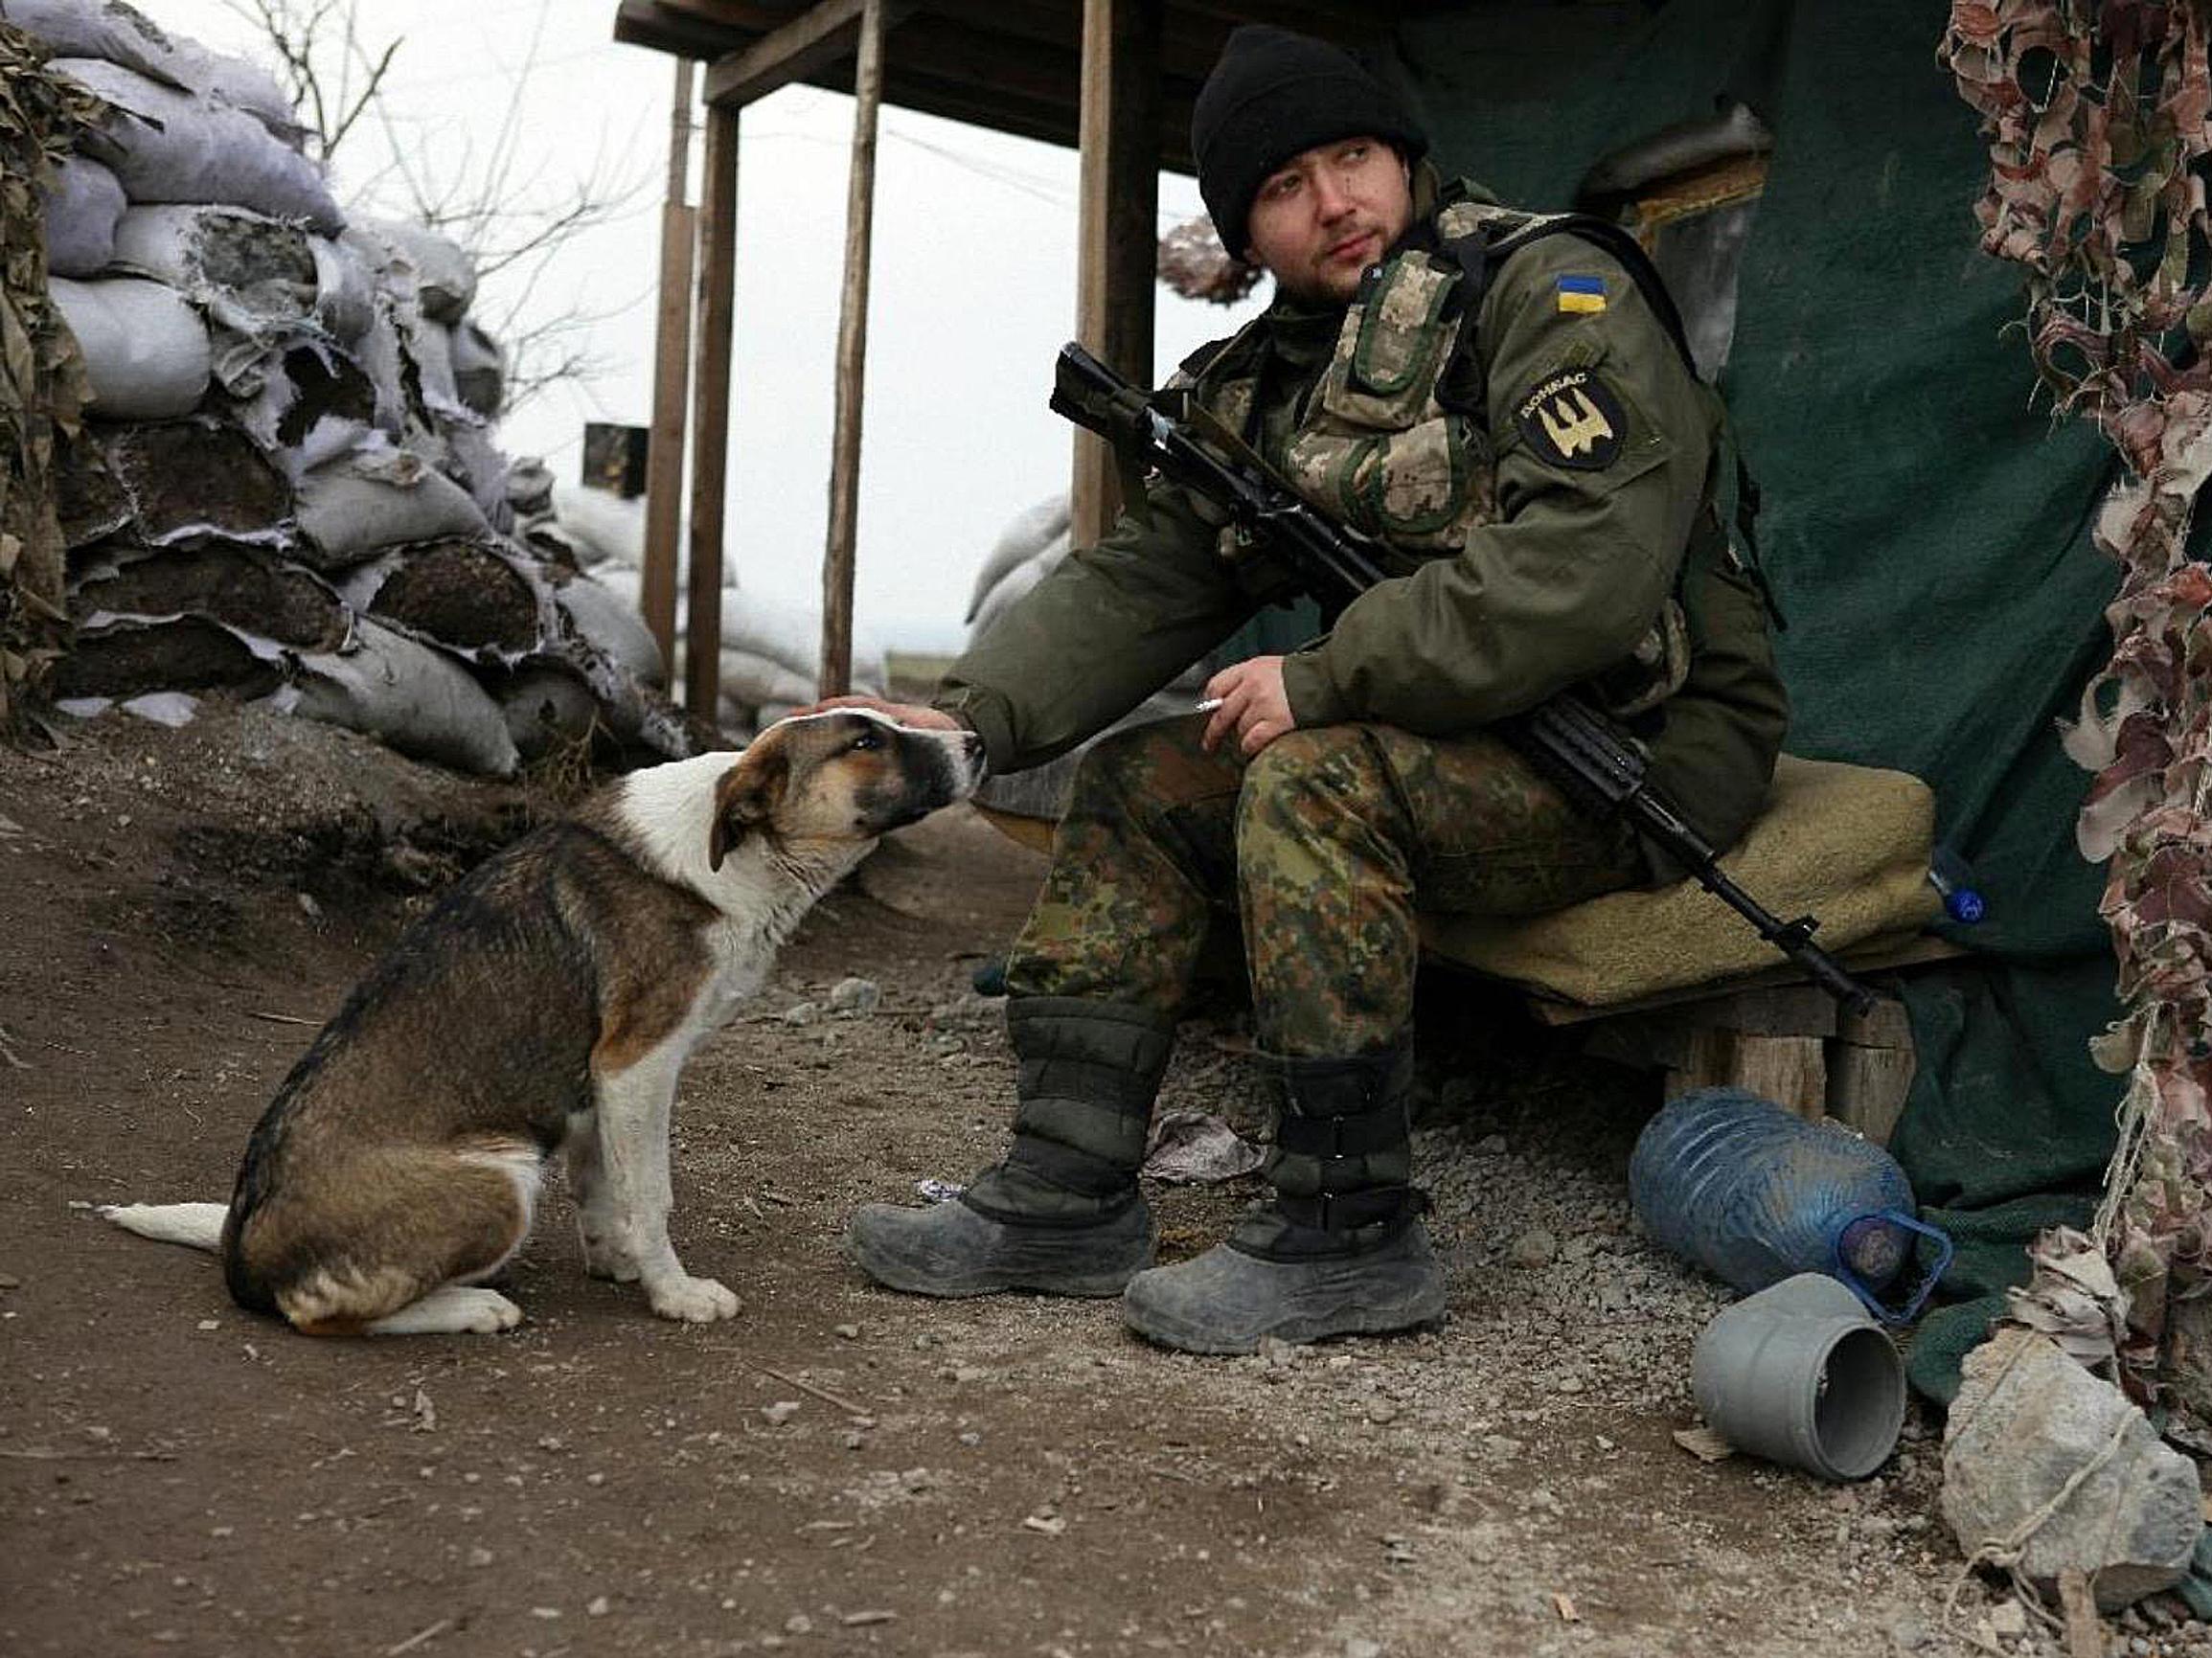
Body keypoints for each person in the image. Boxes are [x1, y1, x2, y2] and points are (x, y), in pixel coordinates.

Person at [815, 24, 1788, 1354]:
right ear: (1245, 235)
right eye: (1283, 187)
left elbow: (1586, 567)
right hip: (1461, 734)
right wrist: (974, 713)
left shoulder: (1543, 289)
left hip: (1637, 752)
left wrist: (1330, 677)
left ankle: (1347, 1234)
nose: (1333, 201)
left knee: (1308, 778)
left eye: (1353, 156)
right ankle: (1060, 1194)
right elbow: (1149, 576)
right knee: (1144, 780)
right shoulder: (1274, 381)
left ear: (1402, 158)